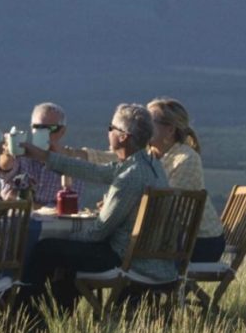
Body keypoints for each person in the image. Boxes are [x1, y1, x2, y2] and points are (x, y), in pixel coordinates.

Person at [14, 103, 172, 318]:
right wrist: (43, 156)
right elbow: (95, 172)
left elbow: (98, 232)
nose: (108, 133)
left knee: (45, 249)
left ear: (123, 137)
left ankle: (23, 317)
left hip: (122, 257)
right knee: (62, 251)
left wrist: (64, 235)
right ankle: (53, 315)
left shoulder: (129, 177)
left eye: (111, 128)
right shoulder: (150, 164)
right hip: (146, 256)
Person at [148, 97, 227, 264]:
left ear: (170, 130)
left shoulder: (186, 159)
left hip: (200, 242)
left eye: (150, 121)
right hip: (171, 237)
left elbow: (168, 206)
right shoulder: (150, 154)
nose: (143, 125)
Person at [0, 101, 86, 206]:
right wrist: (5, 153)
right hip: (16, 215)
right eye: (39, 128)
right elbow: (4, 173)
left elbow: (70, 204)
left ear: (62, 131)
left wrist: (32, 206)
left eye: (52, 128)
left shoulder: (72, 164)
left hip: (52, 217)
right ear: (32, 128)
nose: (45, 133)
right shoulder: (21, 155)